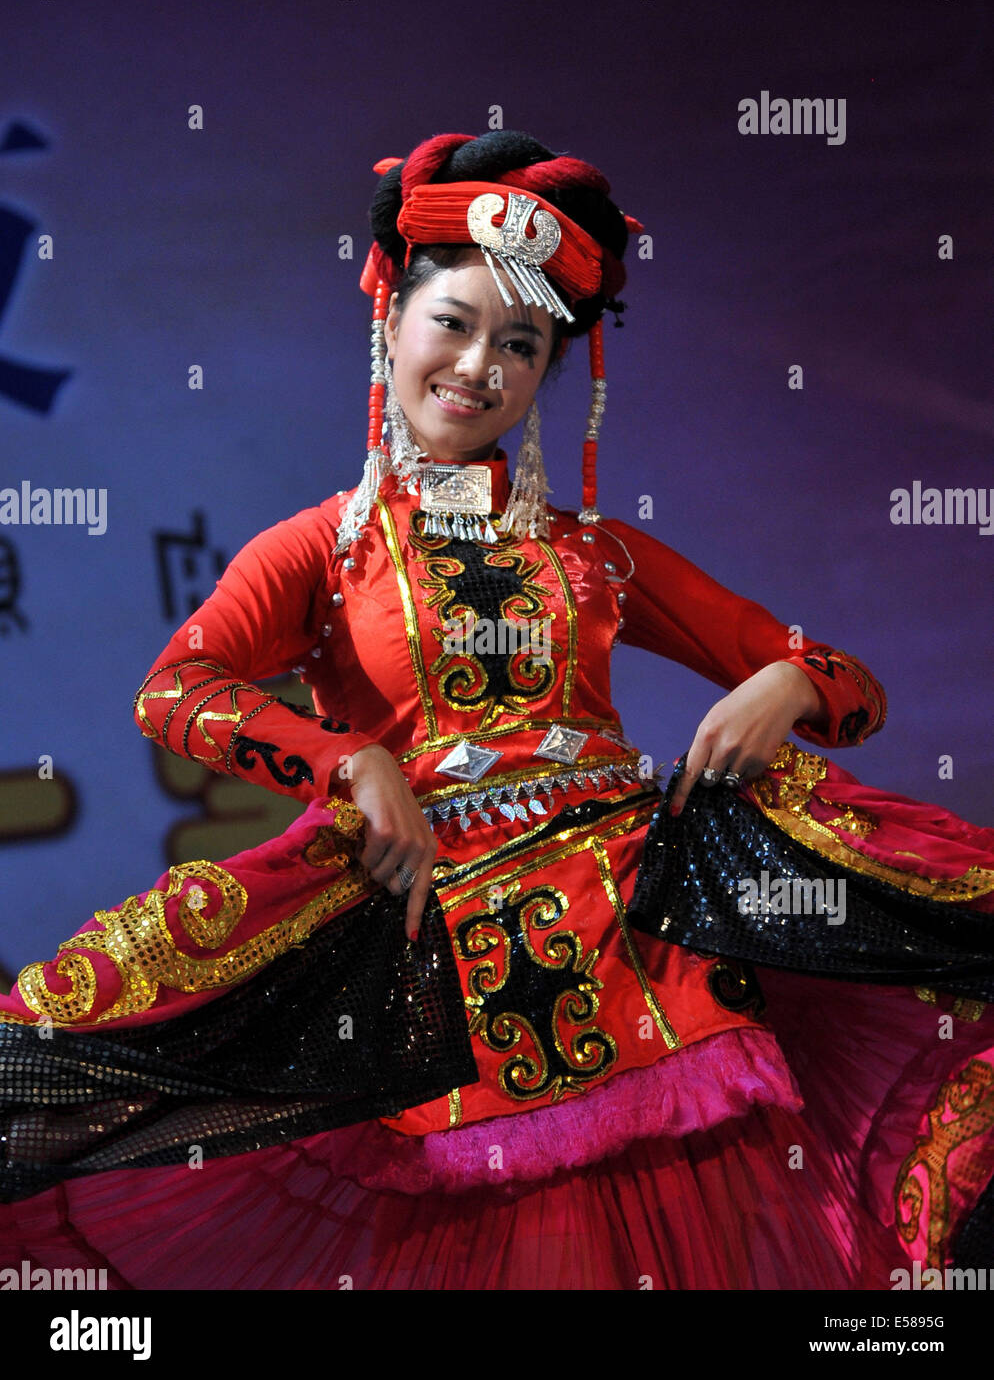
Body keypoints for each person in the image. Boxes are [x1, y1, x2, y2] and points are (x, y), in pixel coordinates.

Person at [1, 130, 993, 1291]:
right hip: (442, 970)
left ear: (544, 376)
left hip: (644, 947)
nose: (479, 365)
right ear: (390, 324)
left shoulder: (598, 555)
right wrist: (352, 767)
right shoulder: (322, 550)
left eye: (519, 345)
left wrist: (785, 681)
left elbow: (842, 679)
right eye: (454, 324)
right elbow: (176, 688)